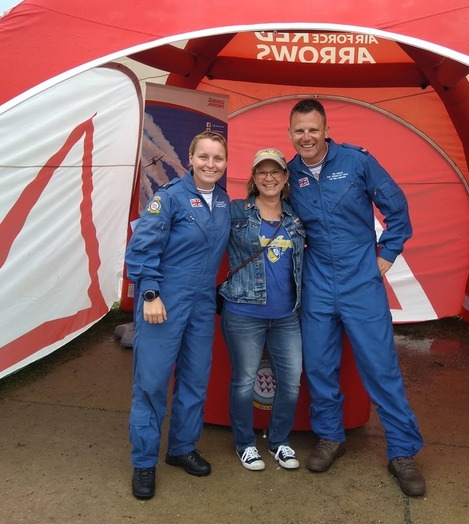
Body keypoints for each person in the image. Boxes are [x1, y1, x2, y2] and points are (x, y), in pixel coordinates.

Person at [286, 99, 426, 497]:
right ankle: (331, 436)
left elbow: (397, 208)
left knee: (381, 368)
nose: (307, 137)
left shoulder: (357, 162)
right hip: (317, 283)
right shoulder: (288, 173)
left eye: (313, 129)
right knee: (318, 366)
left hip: (360, 281)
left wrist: (386, 255)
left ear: (326, 131)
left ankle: (402, 452)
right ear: (290, 134)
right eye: (299, 131)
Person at [125, 130, 230, 500]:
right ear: (190, 158)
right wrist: (150, 293)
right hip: (163, 303)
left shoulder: (223, 202)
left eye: (218, 158)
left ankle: (182, 447)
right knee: (151, 383)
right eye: (204, 156)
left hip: (201, 304)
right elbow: (141, 250)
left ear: (225, 163)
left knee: (195, 380)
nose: (210, 164)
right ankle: (144, 462)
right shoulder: (168, 198)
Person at [219, 148, 306, 471]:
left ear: (285, 177)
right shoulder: (236, 211)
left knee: (292, 381)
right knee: (244, 381)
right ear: (254, 178)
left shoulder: (296, 217)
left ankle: (279, 442)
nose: (269, 178)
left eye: (275, 172)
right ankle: (245, 444)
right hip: (244, 313)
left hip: (286, 316)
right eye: (262, 172)